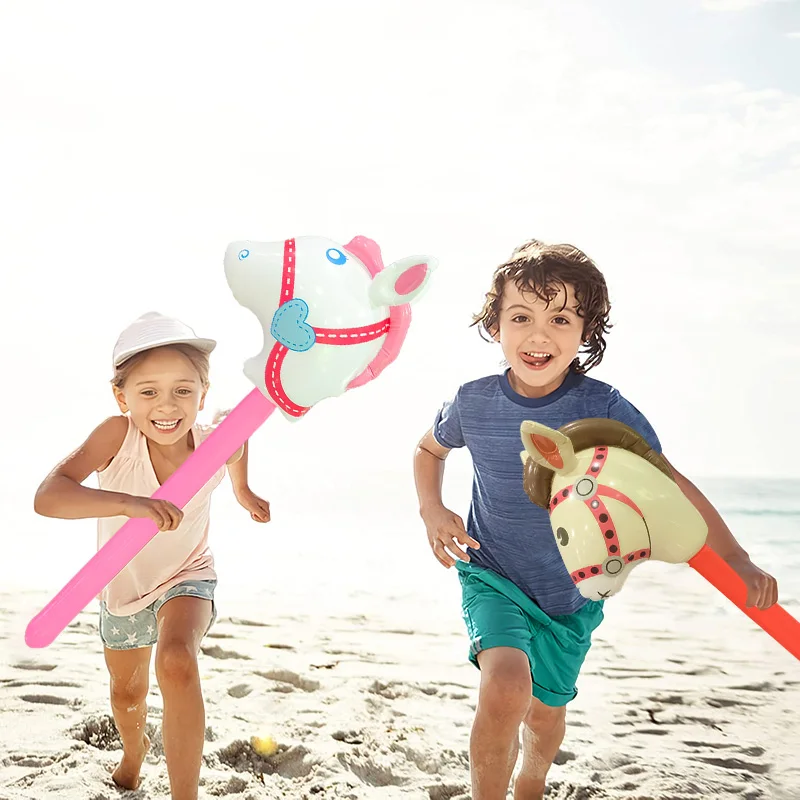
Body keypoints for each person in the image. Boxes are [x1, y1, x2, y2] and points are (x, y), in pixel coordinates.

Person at [412, 240, 779, 800]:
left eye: (560, 319)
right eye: (521, 317)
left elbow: (670, 484)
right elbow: (429, 451)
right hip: (493, 573)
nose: (539, 335)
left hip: (571, 596)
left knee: (546, 713)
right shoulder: (472, 401)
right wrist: (433, 511)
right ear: (495, 327)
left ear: (586, 333)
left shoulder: (603, 407)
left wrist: (735, 557)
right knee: (507, 682)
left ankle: (531, 781)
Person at [34, 312, 271, 800]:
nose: (167, 405)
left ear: (203, 395)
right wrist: (130, 504)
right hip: (120, 584)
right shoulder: (116, 436)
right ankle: (133, 753)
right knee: (127, 695)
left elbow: (238, 443)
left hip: (188, 573)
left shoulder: (213, 444)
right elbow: (48, 497)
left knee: (178, 659)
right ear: (122, 397)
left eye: (184, 391)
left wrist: (243, 491)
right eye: (148, 392)